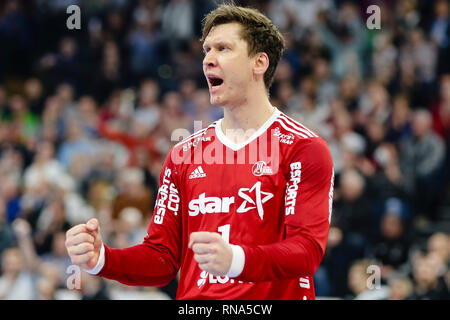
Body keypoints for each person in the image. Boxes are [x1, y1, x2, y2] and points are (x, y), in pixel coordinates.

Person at [65, 4, 334, 300]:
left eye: (223, 48)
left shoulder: (304, 148)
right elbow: (162, 258)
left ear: (259, 63)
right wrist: (102, 259)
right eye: (207, 50)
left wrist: (236, 261)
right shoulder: (184, 154)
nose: (208, 59)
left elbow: (306, 251)